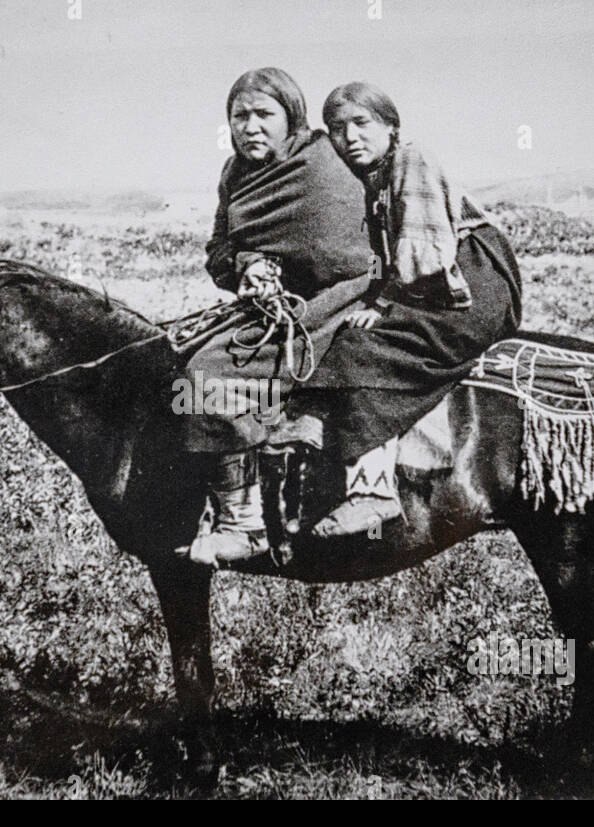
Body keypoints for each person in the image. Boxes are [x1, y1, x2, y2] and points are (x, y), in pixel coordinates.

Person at [272, 82, 523, 537]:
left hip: (467, 283)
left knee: (363, 346)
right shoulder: (365, 179)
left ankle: (374, 490)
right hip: (426, 284)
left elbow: (423, 252)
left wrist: (385, 306)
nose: (350, 137)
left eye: (361, 123)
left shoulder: (412, 158)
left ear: (391, 126)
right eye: (337, 128)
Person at [181, 68, 373, 565]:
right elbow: (219, 249)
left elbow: (342, 256)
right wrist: (249, 265)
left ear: (292, 118)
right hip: (269, 303)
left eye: (264, 115)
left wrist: (279, 267)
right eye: (239, 116)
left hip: (335, 299)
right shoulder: (234, 174)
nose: (250, 127)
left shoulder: (320, 162)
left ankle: (243, 524)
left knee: (206, 375)